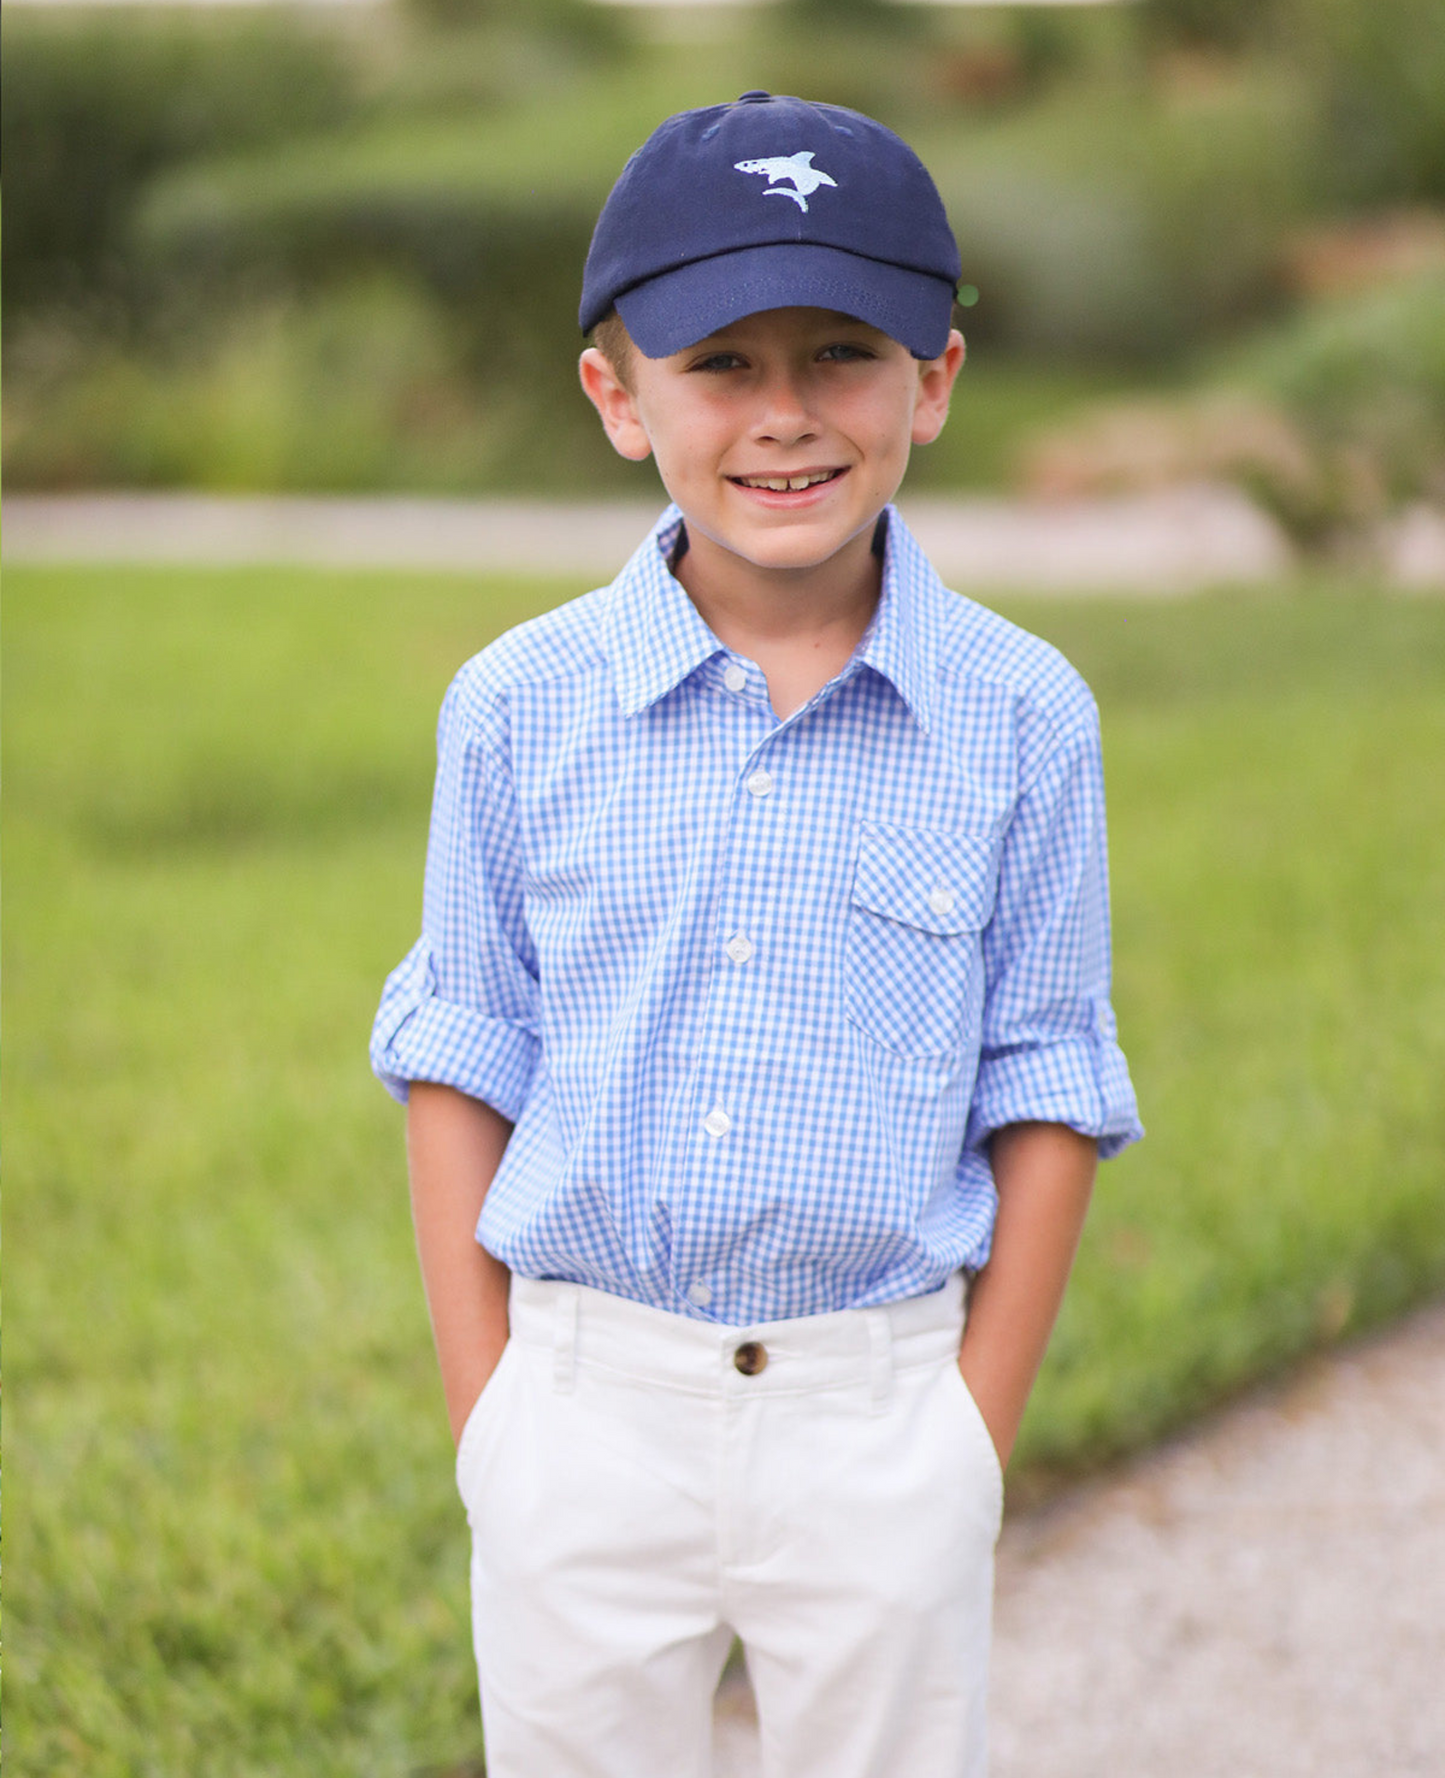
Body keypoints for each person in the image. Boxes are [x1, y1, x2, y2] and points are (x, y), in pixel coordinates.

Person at [371, 91, 1142, 1778]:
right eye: (721, 362)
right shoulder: (517, 708)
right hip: (585, 1410)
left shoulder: (1022, 717)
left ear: (934, 377)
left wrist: (969, 1437)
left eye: (841, 354)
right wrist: (493, 1421)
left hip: (879, 1417)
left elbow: (1050, 1076)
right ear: (616, 393)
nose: (783, 417)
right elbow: (461, 1049)